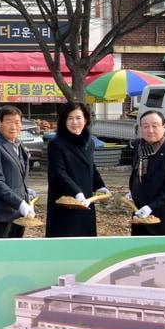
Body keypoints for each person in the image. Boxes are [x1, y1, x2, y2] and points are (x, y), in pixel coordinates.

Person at [45, 101, 108, 238]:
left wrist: (100, 186)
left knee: (85, 240)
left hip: (86, 200)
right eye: (70, 118)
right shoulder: (56, 143)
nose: (75, 122)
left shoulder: (89, 142)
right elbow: (58, 172)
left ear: (85, 119)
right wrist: (76, 192)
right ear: (64, 121)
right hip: (64, 200)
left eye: (78, 118)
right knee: (65, 241)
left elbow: (91, 166)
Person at [0, 105, 33, 239]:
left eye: (17, 122)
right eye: (9, 122)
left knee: (14, 255)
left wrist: (26, 192)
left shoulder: (18, 145)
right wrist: (20, 203)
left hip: (18, 213)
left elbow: (17, 176)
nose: (14, 126)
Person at [129, 110, 165, 236]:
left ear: (164, 127)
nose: (150, 130)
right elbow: (137, 174)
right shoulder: (139, 146)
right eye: (145, 126)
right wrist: (132, 192)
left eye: (155, 126)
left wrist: (151, 207)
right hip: (139, 212)